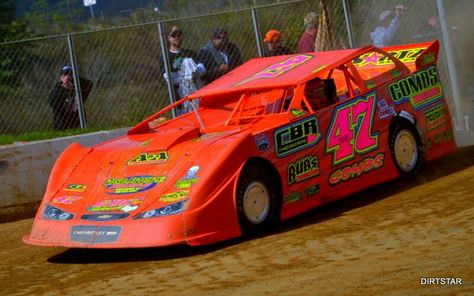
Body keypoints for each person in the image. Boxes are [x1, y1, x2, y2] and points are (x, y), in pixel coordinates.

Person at [160, 25, 205, 101]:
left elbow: (202, 69)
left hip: (195, 87)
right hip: (180, 91)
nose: (177, 37)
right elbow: (166, 77)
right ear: (169, 38)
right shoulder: (166, 56)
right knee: (187, 61)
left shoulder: (190, 53)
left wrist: (193, 72)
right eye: (174, 35)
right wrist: (184, 76)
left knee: (188, 61)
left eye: (179, 35)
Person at [48, 65, 93, 130]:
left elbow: (89, 84)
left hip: (78, 125)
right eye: (65, 75)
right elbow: (53, 103)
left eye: (71, 75)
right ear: (61, 78)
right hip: (62, 127)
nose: (68, 77)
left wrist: (76, 81)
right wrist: (65, 87)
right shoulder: (57, 91)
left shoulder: (78, 90)